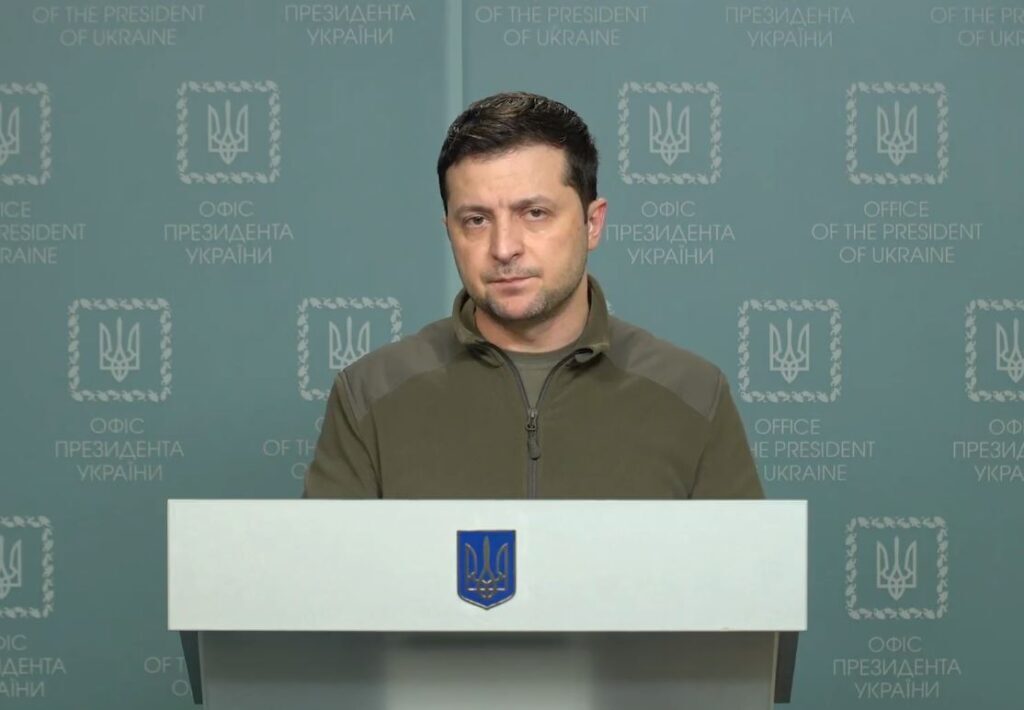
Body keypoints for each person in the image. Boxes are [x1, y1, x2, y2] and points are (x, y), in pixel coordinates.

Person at [303, 91, 763, 499]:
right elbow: (331, 570)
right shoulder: (369, 394)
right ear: (449, 232)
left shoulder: (693, 394)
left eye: (535, 213)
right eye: (476, 220)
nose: (504, 248)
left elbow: (742, 570)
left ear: (592, 223)